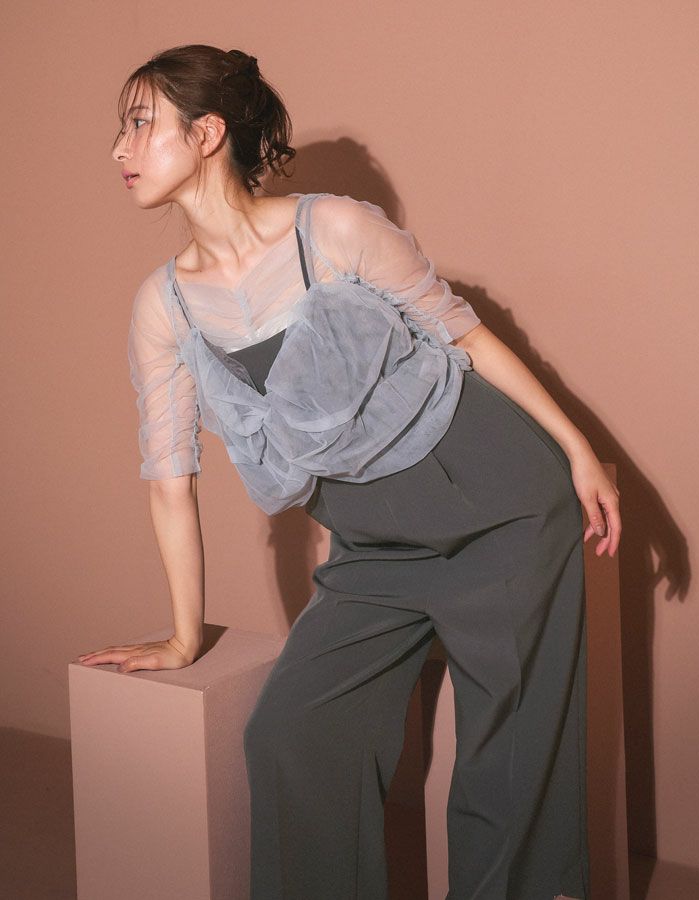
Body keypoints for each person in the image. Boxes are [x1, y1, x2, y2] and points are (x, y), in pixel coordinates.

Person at [79, 44, 620, 900]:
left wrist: (577, 449)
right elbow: (170, 476)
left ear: (207, 133)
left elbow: (465, 336)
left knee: (507, 764)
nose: (119, 147)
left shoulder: (330, 229)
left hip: (501, 508)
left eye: (140, 123)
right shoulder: (164, 306)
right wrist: (184, 635)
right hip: (374, 549)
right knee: (293, 735)